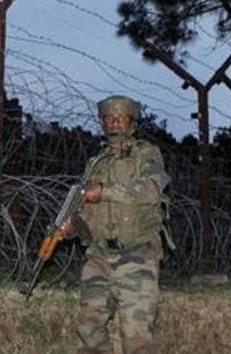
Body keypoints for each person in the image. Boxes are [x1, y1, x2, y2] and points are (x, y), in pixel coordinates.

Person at [61, 95, 171, 354]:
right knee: (88, 327)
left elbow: (152, 189)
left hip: (137, 255)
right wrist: (71, 228)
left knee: (135, 336)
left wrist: (105, 191)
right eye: (108, 119)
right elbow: (85, 208)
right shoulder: (95, 163)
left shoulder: (147, 153)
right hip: (99, 256)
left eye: (120, 118)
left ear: (132, 124)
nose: (113, 123)